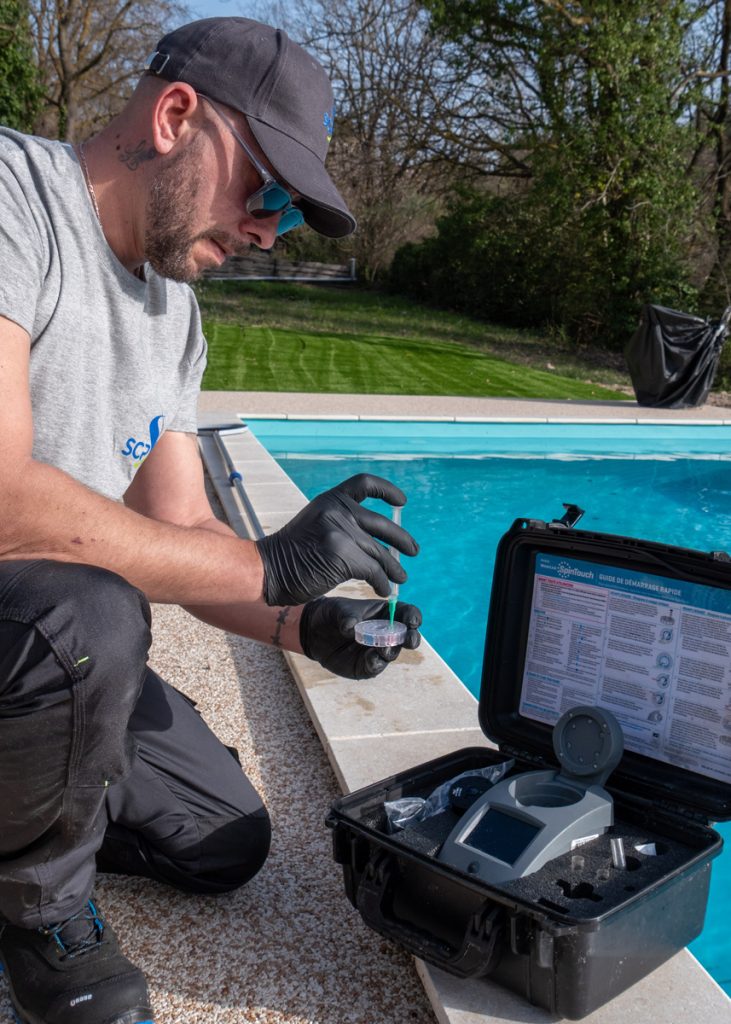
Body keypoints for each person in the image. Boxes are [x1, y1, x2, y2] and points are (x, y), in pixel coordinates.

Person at [0, 17, 421, 1024]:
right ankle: (38, 912)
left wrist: (298, 620)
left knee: (220, 834)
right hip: (38, 625)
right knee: (94, 618)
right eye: (265, 189)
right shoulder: (16, 197)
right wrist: (268, 564)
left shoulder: (174, 314)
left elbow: (185, 530)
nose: (269, 228)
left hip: (29, 650)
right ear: (175, 113)